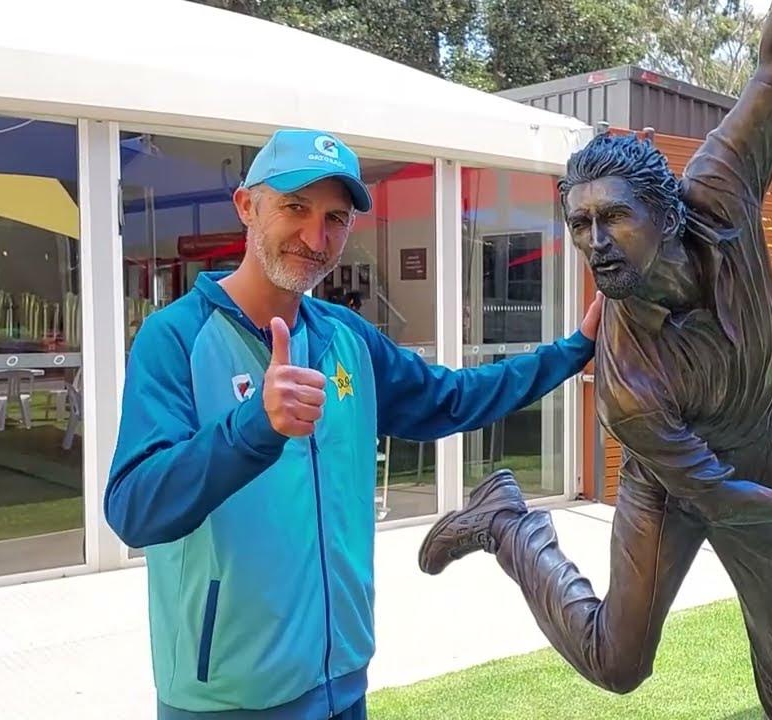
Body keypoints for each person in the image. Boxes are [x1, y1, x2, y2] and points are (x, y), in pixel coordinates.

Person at [418, 2, 772, 718]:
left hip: (761, 458)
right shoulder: (626, 383)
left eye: (614, 217)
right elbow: (713, 495)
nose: (594, 240)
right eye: (580, 223)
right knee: (618, 664)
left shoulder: (719, 188)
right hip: (672, 482)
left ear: (666, 212)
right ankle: (508, 523)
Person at [105, 128, 603, 719]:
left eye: (335, 218)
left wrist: (573, 350)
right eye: (296, 207)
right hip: (226, 699)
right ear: (246, 206)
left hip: (344, 683)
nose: (316, 237)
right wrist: (252, 427)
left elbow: (451, 398)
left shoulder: (346, 338)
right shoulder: (174, 339)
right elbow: (134, 510)